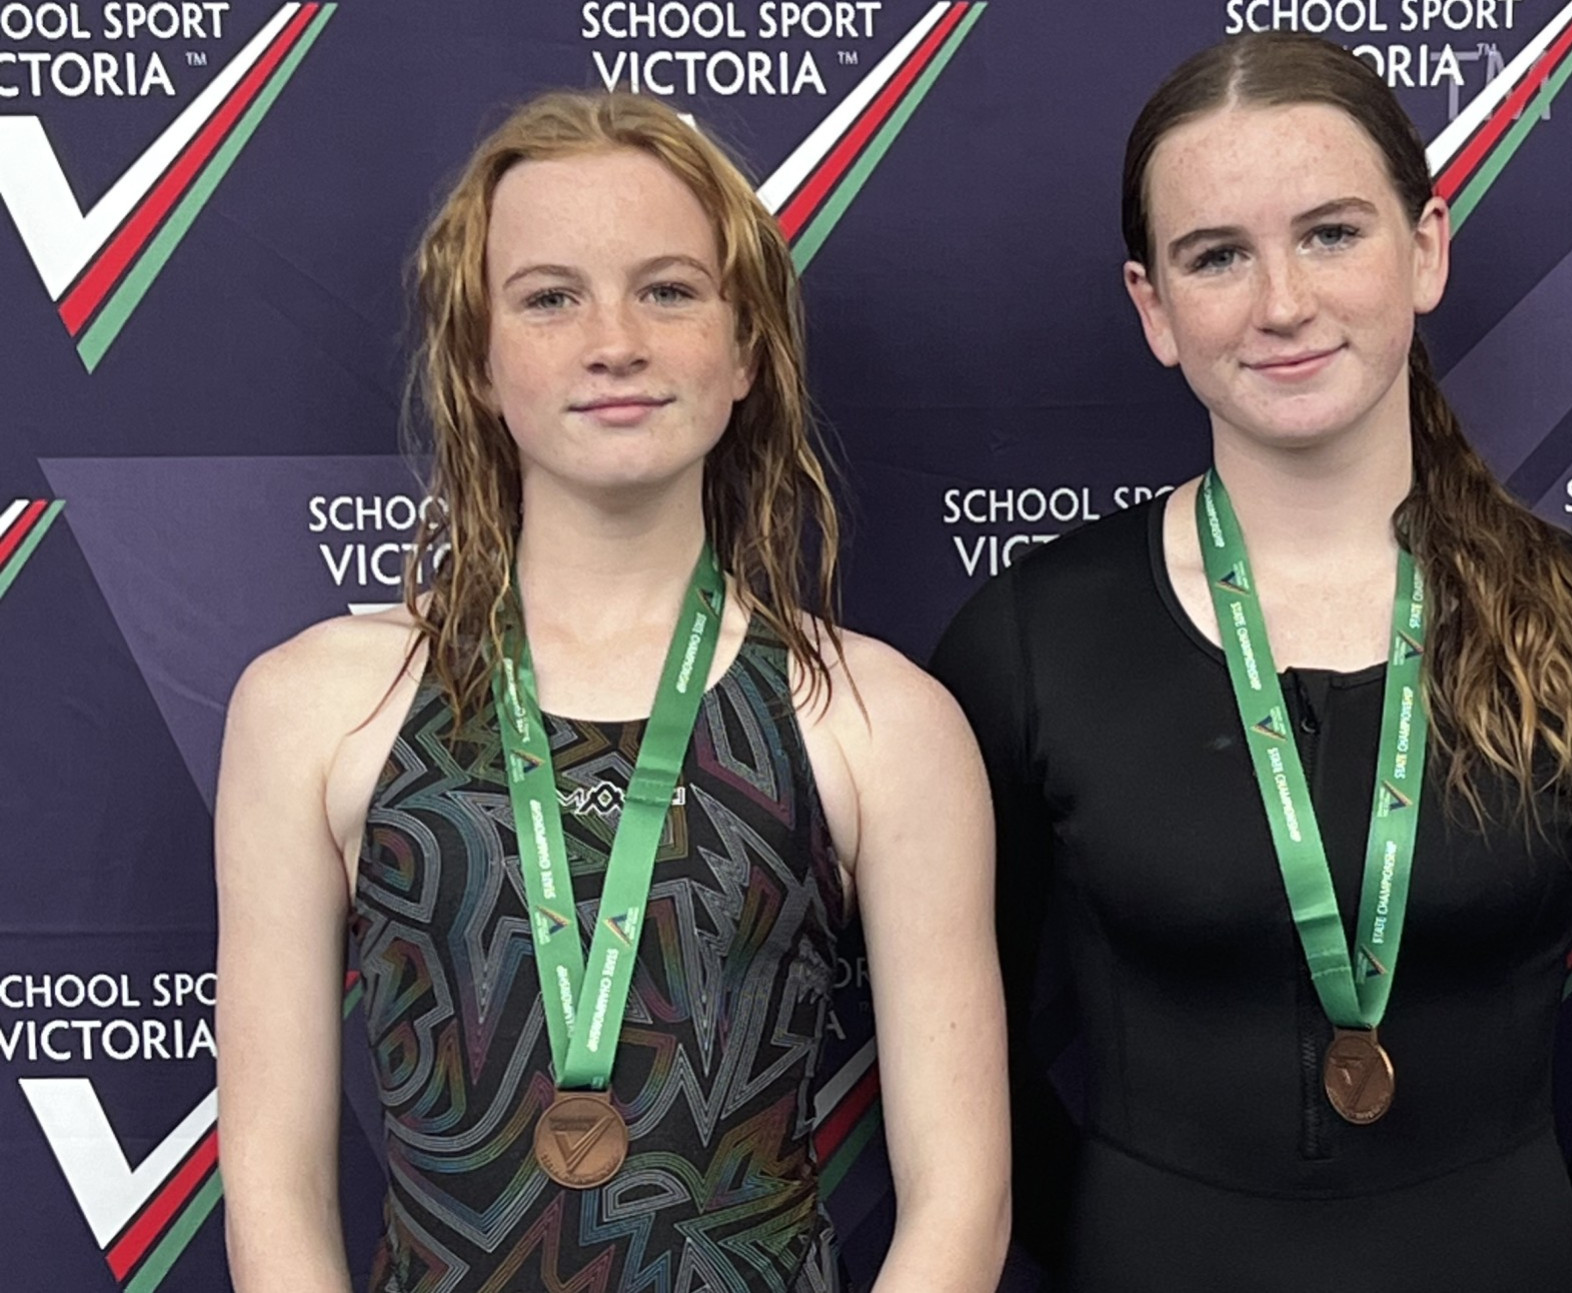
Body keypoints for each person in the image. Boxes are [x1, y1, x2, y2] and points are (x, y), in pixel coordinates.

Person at [930, 33, 1572, 1292]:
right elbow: (956, 1059)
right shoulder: (1027, 643)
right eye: (1216, 256)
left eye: (1330, 233)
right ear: (1154, 308)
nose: (1281, 304)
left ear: (1422, 251)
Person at [215, 90, 1009, 1293]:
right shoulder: (315, 707)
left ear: (745, 350)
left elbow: (960, 1199)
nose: (614, 340)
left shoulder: (873, 720)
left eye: (669, 289)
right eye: (549, 297)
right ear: (478, 363)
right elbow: (270, 1181)